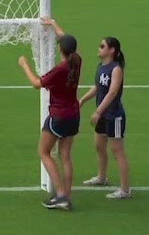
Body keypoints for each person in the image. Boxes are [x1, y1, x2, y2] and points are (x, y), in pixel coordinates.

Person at [19, 18, 82, 211]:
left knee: (44, 152)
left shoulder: (59, 70)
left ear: (60, 50)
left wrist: (25, 65)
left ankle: (61, 195)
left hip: (59, 116)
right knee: (65, 156)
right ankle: (67, 195)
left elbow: (37, 84)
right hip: (73, 114)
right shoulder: (77, 60)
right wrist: (54, 24)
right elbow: (65, 38)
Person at [77, 34, 131, 198]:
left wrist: (98, 111)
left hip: (114, 116)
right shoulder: (101, 66)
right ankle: (102, 177)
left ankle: (125, 190)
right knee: (99, 146)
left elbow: (113, 92)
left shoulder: (116, 69)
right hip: (103, 115)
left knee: (117, 151)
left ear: (112, 50)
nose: (99, 49)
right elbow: (98, 88)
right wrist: (83, 100)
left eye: (102, 46)